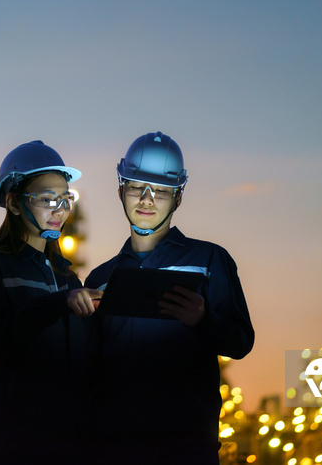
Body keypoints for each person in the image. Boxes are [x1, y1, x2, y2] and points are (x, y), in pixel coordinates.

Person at [84, 131, 255, 465]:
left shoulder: (208, 261)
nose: (147, 200)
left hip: (186, 447)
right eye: (137, 186)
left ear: (178, 197)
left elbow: (240, 342)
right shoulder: (101, 279)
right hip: (114, 450)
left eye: (161, 190)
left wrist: (204, 320)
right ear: (121, 189)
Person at [0, 140, 101, 464]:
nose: (60, 209)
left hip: (66, 445)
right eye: (46, 199)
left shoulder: (67, 277)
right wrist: (58, 304)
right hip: (10, 445)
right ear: (12, 203)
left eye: (65, 199)